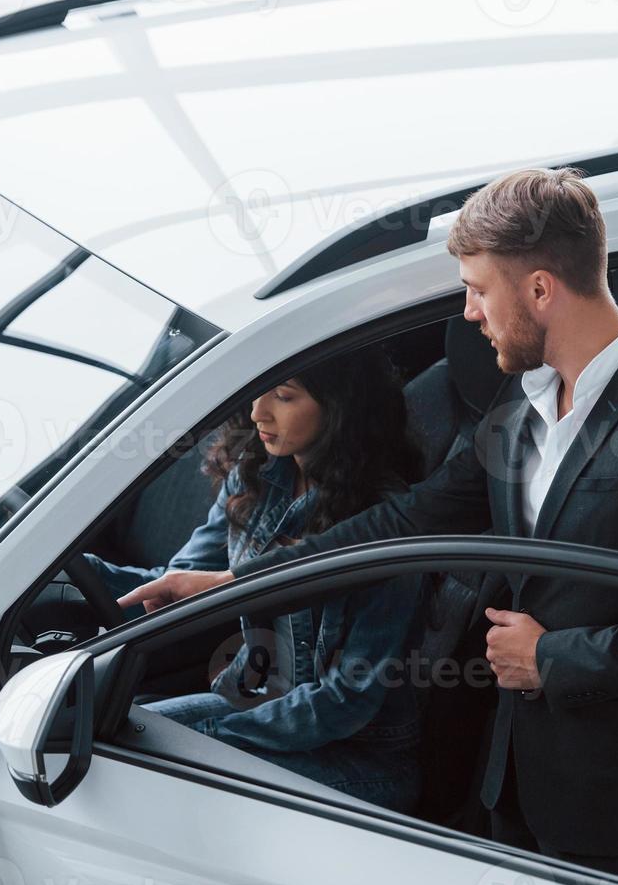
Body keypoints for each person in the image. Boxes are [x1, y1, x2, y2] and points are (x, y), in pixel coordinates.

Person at [119, 167, 618, 876]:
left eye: (479, 289)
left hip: (611, 794)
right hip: (509, 774)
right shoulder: (521, 402)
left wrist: (549, 658)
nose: (468, 312)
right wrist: (236, 583)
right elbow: (404, 522)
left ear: (540, 289)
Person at [86, 346, 428, 813]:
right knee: (105, 737)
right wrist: (70, 572)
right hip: (258, 709)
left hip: (355, 756)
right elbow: (175, 582)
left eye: (283, 397)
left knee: (128, 761)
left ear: (340, 408)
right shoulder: (259, 473)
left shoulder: (383, 523)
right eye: (259, 390)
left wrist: (210, 735)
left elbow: (344, 701)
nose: (257, 411)